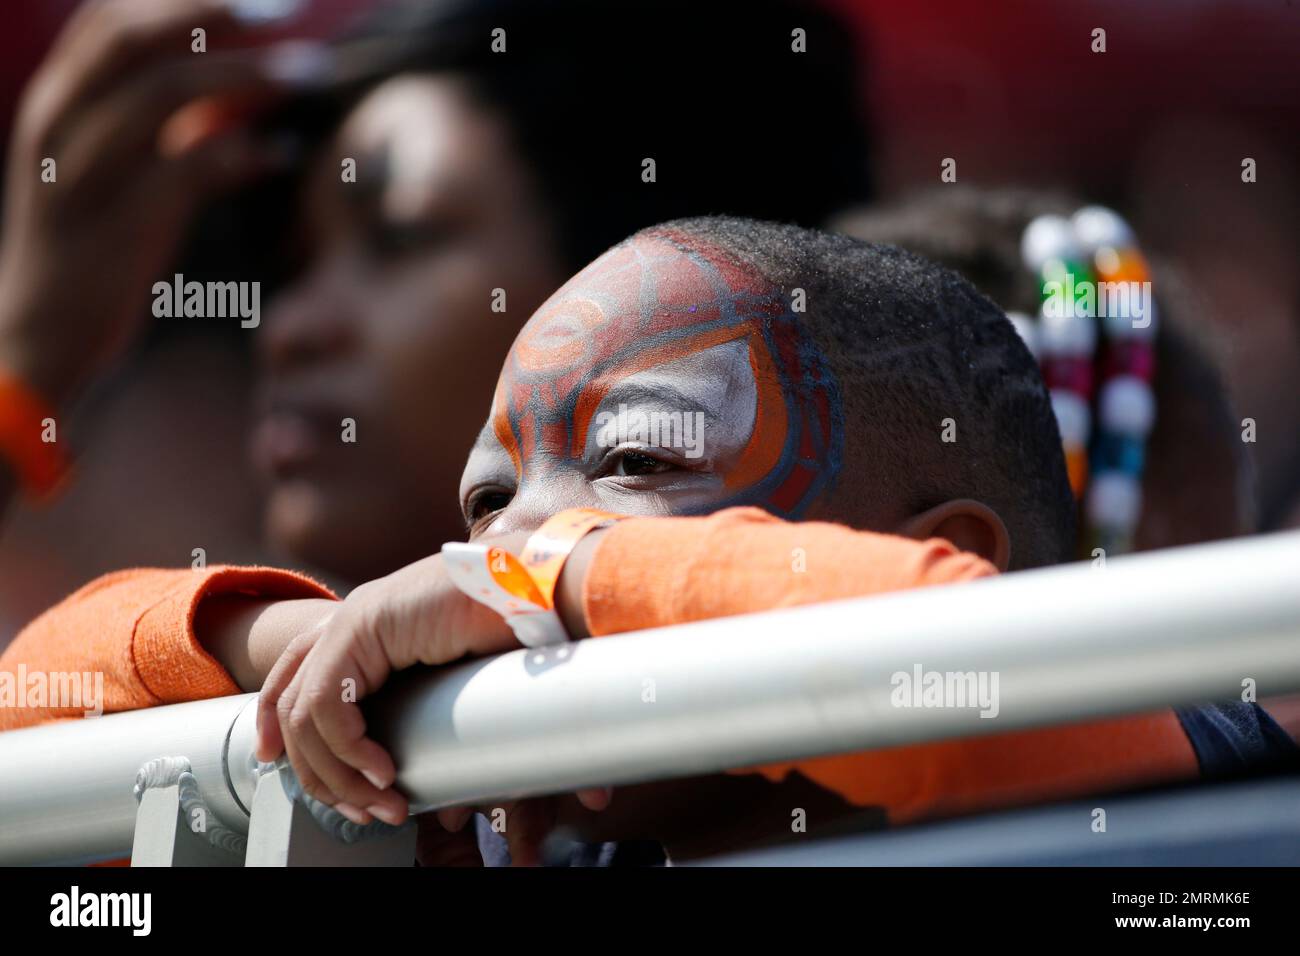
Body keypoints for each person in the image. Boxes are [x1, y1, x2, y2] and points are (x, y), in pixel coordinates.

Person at [9, 219, 1291, 863]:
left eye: (633, 461)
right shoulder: (475, 809)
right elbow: (29, 703)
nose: (507, 545)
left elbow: (935, 657)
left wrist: (559, 572)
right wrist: (278, 643)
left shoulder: (1171, 791)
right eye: (482, 507)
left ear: (959, 549)